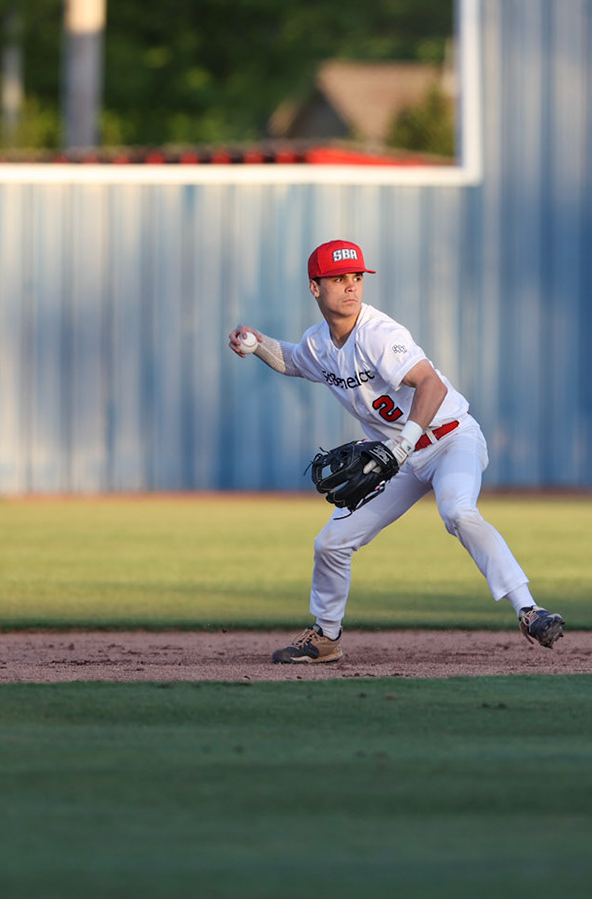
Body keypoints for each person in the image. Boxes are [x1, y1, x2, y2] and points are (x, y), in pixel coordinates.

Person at [228, 239, 563, 664]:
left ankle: (529, 609)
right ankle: (326, 637)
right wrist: (258, 345)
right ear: (315, 288)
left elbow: (432, 385)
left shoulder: (379, 334)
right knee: (331, 542)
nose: (351, 286)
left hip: (449, 438)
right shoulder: (319, 343)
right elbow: (295, 360)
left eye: (356, 277)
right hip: (396, 456)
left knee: (458, 512)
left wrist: (402, 445)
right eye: (338, 278)